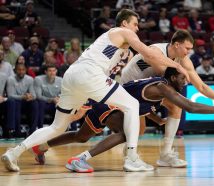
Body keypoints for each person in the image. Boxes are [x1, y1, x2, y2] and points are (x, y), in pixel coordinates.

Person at [1, 9, 189, 172]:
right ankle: (132, 159)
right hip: (89, 73)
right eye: (135, 24)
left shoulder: (118, 46)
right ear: (125, 23)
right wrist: (178, 67)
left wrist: (84, 102)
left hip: (74, 75)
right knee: (132, 104)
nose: (137, 28)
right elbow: (148, 53)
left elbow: (106, 73)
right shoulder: (122, 31)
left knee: (57, 127)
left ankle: (14, 152)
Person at [31, 68, 214, 172]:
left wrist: (157, 120)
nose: (186, 80)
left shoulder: (159, 89)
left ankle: (42, 146)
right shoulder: (162, 87)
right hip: (109, 104)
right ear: (172, 78)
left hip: (106, 104)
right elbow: (191, 106)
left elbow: (141, 105)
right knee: (125, 134)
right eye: (183, 77)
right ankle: (79, 159)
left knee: (81, 136)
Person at [120, 30, 214, 168]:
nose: (189, 52)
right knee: (140, 129)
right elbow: (165, 81)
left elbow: (201, 86)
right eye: (187, 48)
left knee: (176, 106)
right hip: (128, 88)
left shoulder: (183, 60)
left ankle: (165, 155)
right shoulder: (156, 51)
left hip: (147, 88)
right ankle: (130, 155)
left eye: (191, 49)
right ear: (177, 45)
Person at [6, 63, 39, 137]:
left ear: (25, 70)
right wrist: (23, 97)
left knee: (35, 103)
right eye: (19, 70)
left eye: (23, 70)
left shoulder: (29, 79)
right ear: (15, 71)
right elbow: (10, 95)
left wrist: (30, 96)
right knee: (14, 103)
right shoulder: (11, 79)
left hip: (25, 102)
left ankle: (33, 131)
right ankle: (16, 131)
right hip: (15, 102)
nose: (21, 72)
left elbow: (34, 95)